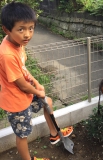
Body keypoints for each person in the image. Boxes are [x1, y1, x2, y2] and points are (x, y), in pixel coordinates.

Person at [0, 2, 73, 160]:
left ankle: (55, 134)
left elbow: (23, 69)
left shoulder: (18, 43)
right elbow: (21, 84)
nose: (27, 34)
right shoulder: (7, 54)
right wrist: (36, 91)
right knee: (23, 134)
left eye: (31, 28)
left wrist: (36, 82)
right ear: (6, 29)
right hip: (16, 102)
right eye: (21, 29)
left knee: (48, 101)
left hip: (25, 93)